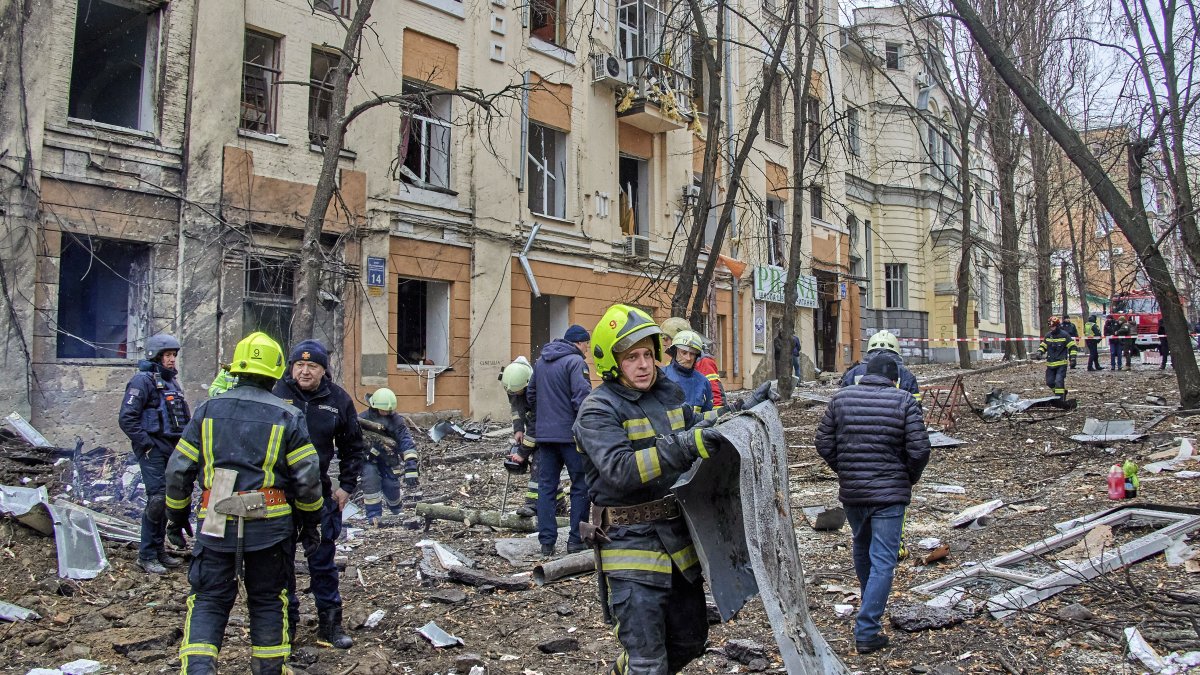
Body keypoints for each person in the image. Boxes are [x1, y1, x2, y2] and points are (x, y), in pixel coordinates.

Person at [574, 304, 774, 674]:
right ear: (611, 362)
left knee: (689, 641)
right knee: (648, 661)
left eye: (648, 354)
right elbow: (620, 470)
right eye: (632, 357)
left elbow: (701, 423)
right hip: (628, 543)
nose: (644, 364)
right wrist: (684, 447)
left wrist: (745, 409)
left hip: (676, 542)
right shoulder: (597, 410)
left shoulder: (663, 398)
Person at [163, 331, 323, 675]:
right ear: (276, 371)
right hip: (269, 521)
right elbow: (308, 479)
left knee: (208, 599)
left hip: (216, 516)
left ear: (235, 369)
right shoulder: (288, 415)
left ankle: (198, 669)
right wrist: (311, 522)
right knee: (267, 599)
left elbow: (178, 470)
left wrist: (175, 517)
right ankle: (269, 670)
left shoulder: (207, 410)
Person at [815, 353, 930, 655]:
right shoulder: (904, 401)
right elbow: (919, 450)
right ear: (894, 379)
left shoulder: (840, 399)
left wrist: (846, 470)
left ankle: (869, 608)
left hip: (854, 493)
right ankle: (867, 628)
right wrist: (907, 477)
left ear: (865, 375)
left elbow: (823, 443)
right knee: (883, 559)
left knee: (862, 548)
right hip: (889, 495)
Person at [273, 340, 365, 649]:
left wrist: (346, 486)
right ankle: (286, 626)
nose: (305, 370)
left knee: (323, 561)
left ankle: (330, 625)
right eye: (299, 364)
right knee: (279, 563)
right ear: (291, 367)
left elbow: (353, 446)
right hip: (279, 494)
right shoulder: (275, 394)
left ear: (323, 370)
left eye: (312, 366)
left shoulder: (337, 399)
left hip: (319, 494)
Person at [118, 332, 192, 575]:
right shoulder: (142, 381)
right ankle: (147, 554)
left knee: (167, 500)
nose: (172, 360)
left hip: (171, 447)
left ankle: (159, 551)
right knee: (157, 498)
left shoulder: (171, 382)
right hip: (152, 448)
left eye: (174, 355)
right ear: (156, 356)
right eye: (168, 355)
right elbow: (127, 419)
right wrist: (147, 444)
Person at [527, 324, 593, 555]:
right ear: (577, 343)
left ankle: (546, 543)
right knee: (580, 486)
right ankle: (576, 540)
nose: (587, 350)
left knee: (546, 487)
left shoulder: (540, 362)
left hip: (545, 437)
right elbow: (582, 398)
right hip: (571, 436)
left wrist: (543, 418)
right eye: (586, 344)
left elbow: (530, 395)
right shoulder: (576, 363)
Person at [358, 388, 418, 526]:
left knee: (391, 485)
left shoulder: (396, 421)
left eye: (388, 411)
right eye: (383, 410)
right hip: (368, 459)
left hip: (388, 459)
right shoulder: (362, 419)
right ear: (374, 406)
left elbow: (406, 442)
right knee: (371, 480)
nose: (386, 413)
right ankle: (374, 516)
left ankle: (396, 510)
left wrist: (411, 466)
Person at [841, 330, 921, 402]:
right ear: (896, 349)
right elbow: (915, 407)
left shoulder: (852, 374)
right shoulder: (906, 375)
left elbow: (841, 403)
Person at [663, 329, 714, 415]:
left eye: (692, 354)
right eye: (684, 352)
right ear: (675, 352)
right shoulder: (661, 376)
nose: (688, 358)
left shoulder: (703, 382)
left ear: (697, 356)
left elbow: (707, 416)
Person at [1038, 316, 1079, 403]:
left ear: (1057, 326)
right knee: (1049, 382)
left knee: (1059, 381)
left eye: (1053, 326)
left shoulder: (1064, 335)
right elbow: (1043, 346)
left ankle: (1060, 400)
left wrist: (1073, 359)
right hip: (1050, 364)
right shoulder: (1048, 336)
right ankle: (1062, 393)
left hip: (1061, 364)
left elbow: (1072, 347)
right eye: (1050, 327)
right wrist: (1039, 352)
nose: (1051, 328)